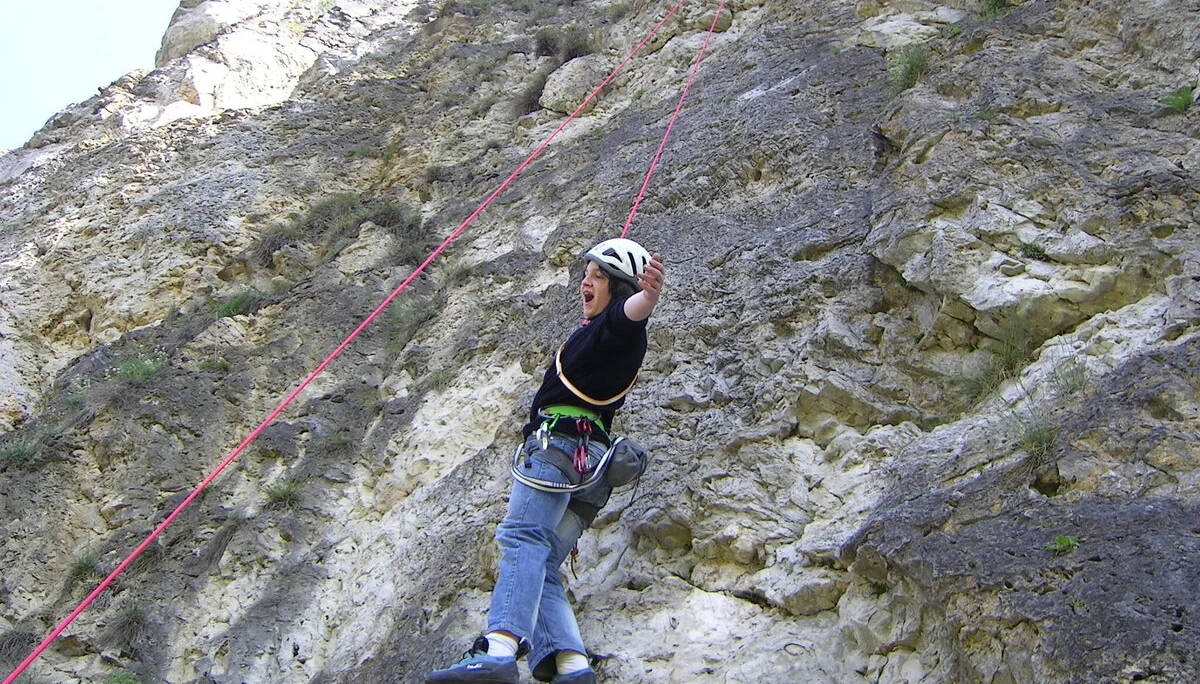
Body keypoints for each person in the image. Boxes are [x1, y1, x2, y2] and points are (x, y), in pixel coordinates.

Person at [426, 237, 666, 684]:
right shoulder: (603, 336)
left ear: (618, 288)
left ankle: (499, 650)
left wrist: (645, 299)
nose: (585, 282)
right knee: (544, 562)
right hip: (592, 464)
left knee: (522, 537)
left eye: (597, 277)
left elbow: (627, 318)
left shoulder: (620, 325)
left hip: (558, 449)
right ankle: (572, 665)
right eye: (585, 275)